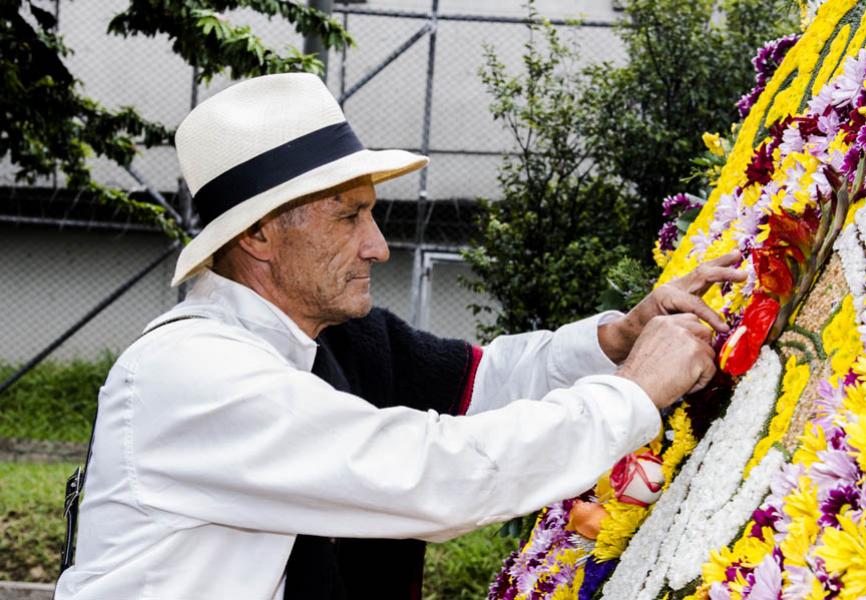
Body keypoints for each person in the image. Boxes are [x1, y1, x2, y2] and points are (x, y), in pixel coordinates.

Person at [54, 73, 745, 600]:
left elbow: (487, 385)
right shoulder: (194, 372)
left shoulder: (330, 342)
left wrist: (617, 341)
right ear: (260, 234)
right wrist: (635, 394)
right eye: (348, 217)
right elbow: (439, 477)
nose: (378, 247)